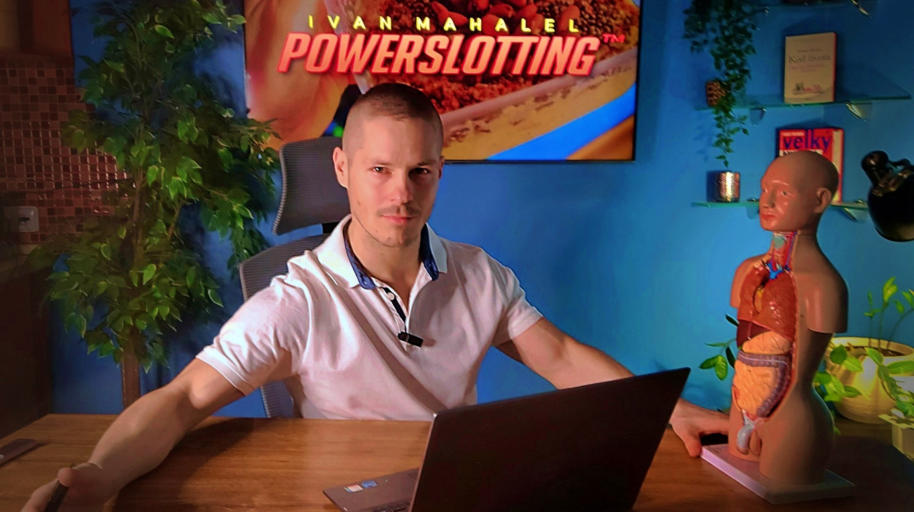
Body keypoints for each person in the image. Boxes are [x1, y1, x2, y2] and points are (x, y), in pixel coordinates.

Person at [25, 83, 727, 511]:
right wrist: (98, 475)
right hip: (341, 493)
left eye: (420, 171)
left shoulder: (479, 273)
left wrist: (673, 411)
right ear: (342, 168)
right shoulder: (297, 301)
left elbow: (563, 357)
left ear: (441, 172)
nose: (401, 193)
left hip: (458, 488)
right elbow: (181, 399)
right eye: (380, 169)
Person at [728, 151, 847, 484]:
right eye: (764, 189)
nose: (765, 202)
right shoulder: (747, 271)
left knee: (786, 493)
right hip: (741, 402)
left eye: (783, 192)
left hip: (793, 417)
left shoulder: (823, 284)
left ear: (820, 200)